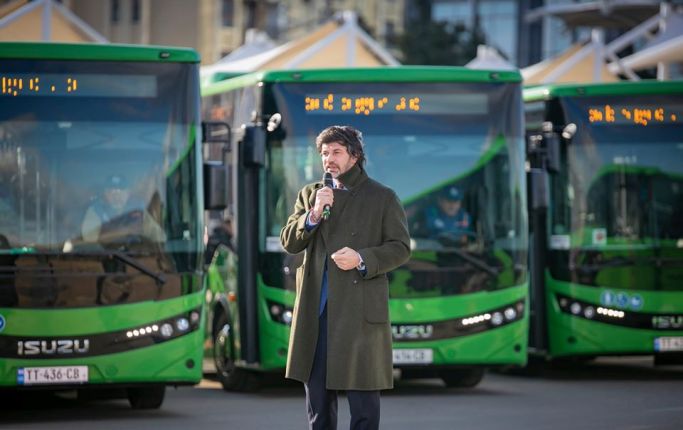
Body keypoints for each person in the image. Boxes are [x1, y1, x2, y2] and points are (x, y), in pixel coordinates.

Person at [280, 126, 410, 430]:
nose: (328, 159)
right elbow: (289, 241)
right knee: (319, 408)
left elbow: (401, 248)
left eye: (336, 151)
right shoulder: (310, 194)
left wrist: (362, 258)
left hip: (359, 313)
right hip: (316, 313)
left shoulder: (383, 197)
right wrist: (312, 215)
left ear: (355, 155)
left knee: (364, 407)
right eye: (324, 153)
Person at [81, 174, 164, 244]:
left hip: (134, 258)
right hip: (103, 256)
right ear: (105, 194)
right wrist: (125, 231)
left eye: (121, 191)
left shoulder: (138, 210)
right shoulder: (96, 210)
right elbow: (88, 240)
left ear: (128, 193)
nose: (116, 196)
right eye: (112, 191)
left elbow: (159, 237)